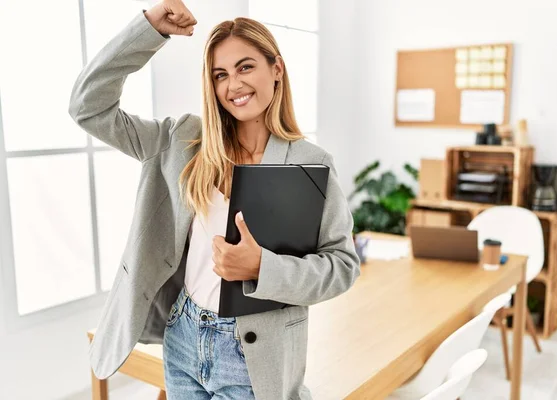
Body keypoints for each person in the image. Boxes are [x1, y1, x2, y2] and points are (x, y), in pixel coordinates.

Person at [68, 0, 360, 398]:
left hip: (254, 353)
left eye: (245, 67)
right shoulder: (180, 140)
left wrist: (262, 267)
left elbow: (342, 266)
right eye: (220, 74)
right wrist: (149, 29)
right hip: (184, 333)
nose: (233, 85)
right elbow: (88, 107)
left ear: (276, 69)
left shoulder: (310, 164)